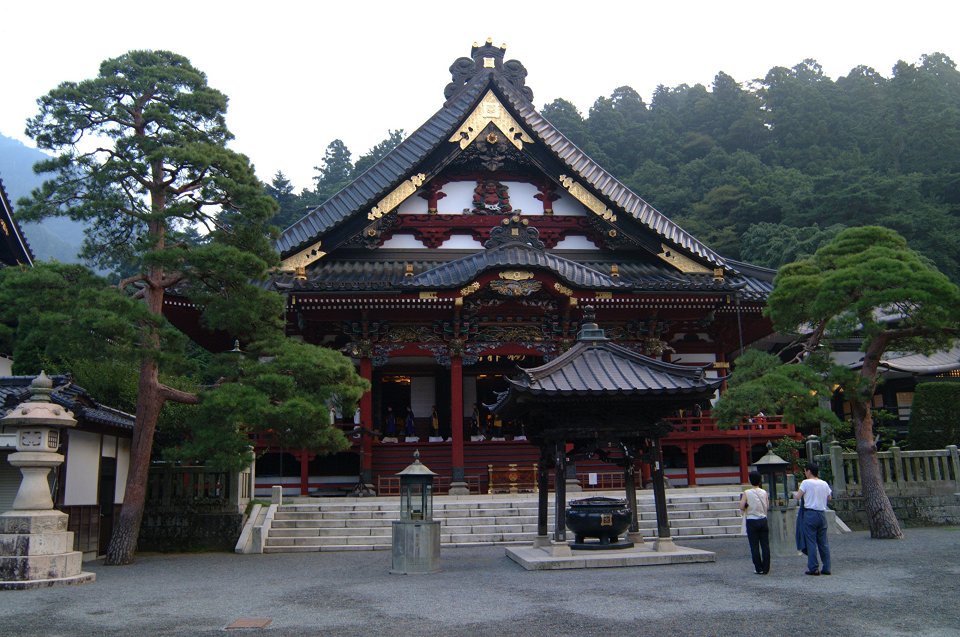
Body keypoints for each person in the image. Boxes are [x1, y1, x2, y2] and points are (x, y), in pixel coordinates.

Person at [796, 462, 832, 575]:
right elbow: (829, 497)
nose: (805, 473)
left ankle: (813, 567)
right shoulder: (824, 483)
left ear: (809, 471)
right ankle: (827, 567)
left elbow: (798, 496)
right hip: (821, 513)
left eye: (805, 471)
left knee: (811, 542)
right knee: (823, 542)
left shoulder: (805, 483)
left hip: (810, 514)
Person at [740, 471, 770, 575]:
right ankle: (766, 567)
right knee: (765, 545)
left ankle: (758, 567)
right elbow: (767, 505)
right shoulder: (764, 492)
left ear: (749, 480)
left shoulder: (747, 492)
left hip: (752, 520)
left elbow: (741, 506)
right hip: (763, 519)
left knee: (754, 546)